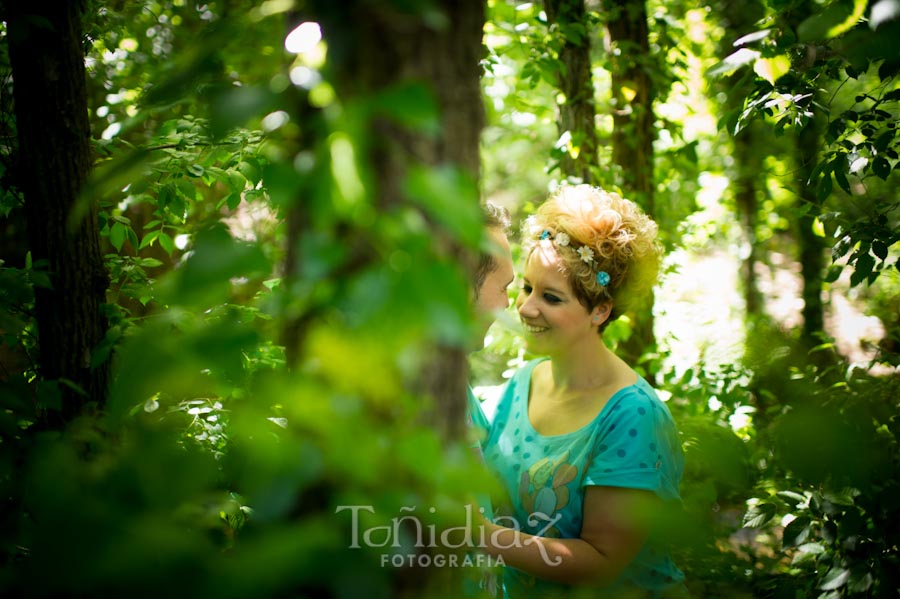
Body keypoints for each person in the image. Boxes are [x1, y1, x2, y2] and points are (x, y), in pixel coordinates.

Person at [478, 185, 686, 598]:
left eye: (551, 297)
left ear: (600, 310)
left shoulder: (631, 415)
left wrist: (479, 535)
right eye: (526, 287)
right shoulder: (524, 383)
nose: (526, 308)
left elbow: (602, 561)